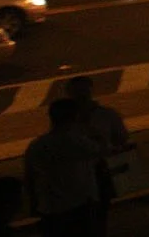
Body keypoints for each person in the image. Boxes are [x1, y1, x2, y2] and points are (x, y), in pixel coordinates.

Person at [24, 98, 103, 237]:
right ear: (75, 117)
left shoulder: (36, 145)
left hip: (51, 208)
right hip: (80, 206)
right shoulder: (78, 142)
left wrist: (34, 203)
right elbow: (102, 148)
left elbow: (30, 177)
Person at [64, 74, 131, 234]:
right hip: (79, 172)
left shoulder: (106, 115)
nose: (81, 96)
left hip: (96, 171)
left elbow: (121, 139)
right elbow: (121, 139)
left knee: (97, 213)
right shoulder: (105, 115)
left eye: (83, 91)